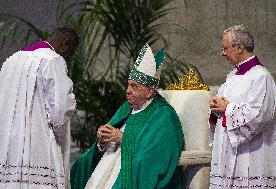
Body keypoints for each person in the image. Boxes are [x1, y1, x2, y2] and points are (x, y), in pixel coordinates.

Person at [71, 43, 184, 189]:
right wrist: (103, 140)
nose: (127, 91)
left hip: (130, 170)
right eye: (128, 85)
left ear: (149, 92)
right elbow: (107, 140)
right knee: (81, 164)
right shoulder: (127, 108)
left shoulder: (163, 114)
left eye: (134, 87)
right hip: (107, 166)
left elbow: (159, 155)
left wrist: (124, 139)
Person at [0, 27, 79, 189]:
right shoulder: (52, 60)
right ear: (65, 44)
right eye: (71, 52)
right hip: (39, 145)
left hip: (8, 148)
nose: (68, 58)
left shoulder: (11, 60)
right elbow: (60, 109)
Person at [208, 24, 276, 188]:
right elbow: (222, 108)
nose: (222, 53)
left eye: (225, 48)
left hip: (253, 155)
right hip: (228, 155)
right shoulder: (232, 76)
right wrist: (214, 109)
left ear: (240, 47)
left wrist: (226, 108)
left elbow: (258, 117)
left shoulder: (261, 77)